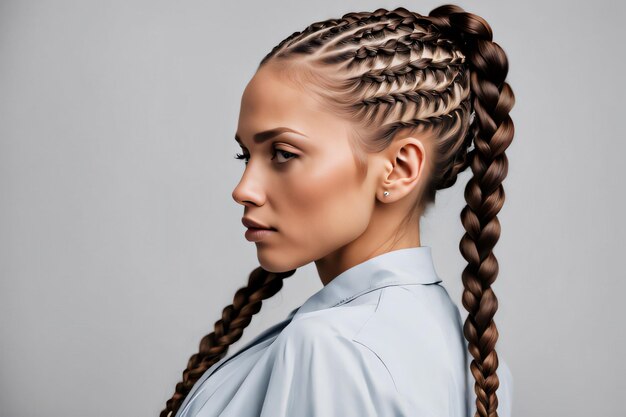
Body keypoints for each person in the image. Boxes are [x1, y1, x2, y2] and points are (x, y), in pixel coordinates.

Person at [160, 4, 515, 417]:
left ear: (399, 170)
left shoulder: (331, 348)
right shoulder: (482, 366)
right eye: (245, 156)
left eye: (282, 153)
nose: (244, 190)